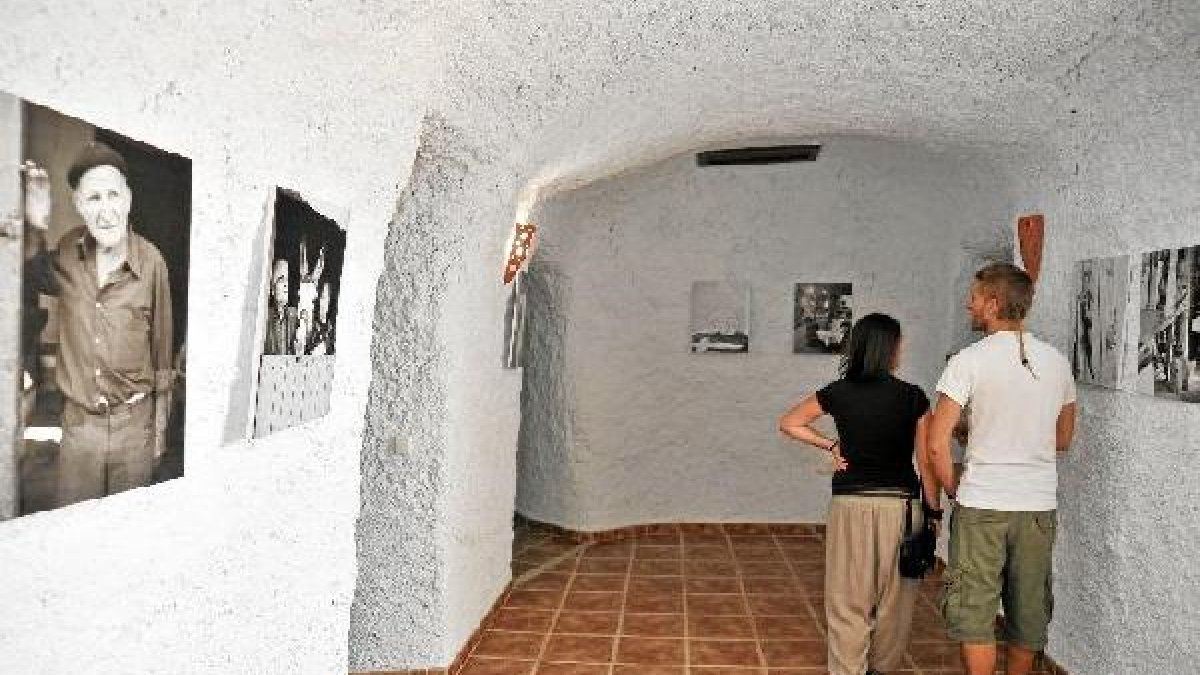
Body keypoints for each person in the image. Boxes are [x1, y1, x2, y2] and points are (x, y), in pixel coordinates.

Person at [927, 263, 1077, 675]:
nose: (968, 304)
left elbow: (936, 441)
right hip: (1038, 506)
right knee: (1028, 608)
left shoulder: (967, 361)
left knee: (974, 609)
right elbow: (1062, 440)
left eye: (974, 298)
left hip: (982, 502)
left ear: (993, 304)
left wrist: (951, 486)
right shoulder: (1058, 362)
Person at [780, 313, 940, 675]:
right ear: (890, 349)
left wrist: (829, 444)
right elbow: (927, 462)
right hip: (901, 506)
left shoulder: (838, 393)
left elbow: (789, 422)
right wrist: (933, 514)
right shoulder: (913, 397)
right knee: (895, 603)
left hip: (851, 504)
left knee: (846, 599)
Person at [22, 142, 174, 506]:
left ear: (129, 199)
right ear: (78, 206)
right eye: (93, 199)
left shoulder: (152, 262)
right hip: (79, 430)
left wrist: (158, 434)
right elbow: (25, 274)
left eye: (113, 195)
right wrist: (36, 220)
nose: (106, 211)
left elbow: (163, 357)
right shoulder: (68, 251)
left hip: (134, 427)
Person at [263, 258, 297, 355]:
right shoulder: (265, 317)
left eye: (287, 280)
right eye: (281, 279)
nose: (286, 284)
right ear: (272, 289)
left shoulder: (295, 316)